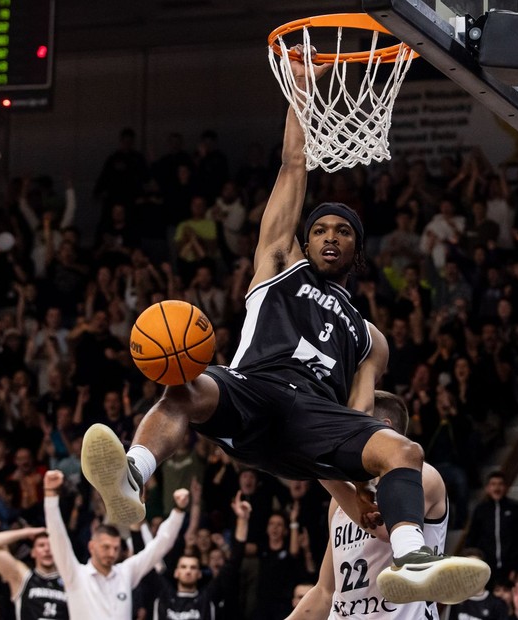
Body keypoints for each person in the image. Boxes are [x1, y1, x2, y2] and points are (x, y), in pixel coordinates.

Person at [79, 51, 488, 605]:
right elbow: (293, 164)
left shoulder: (371, 338)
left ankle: (414, 559)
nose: (328, 237)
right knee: (187, 386)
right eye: (319, 228)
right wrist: (300, 93)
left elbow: (357, 417)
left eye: (342, 231)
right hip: (256, 388)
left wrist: (348, 492)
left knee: (404, 451)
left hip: (313, 421)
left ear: (356, 251)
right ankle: (133, 474)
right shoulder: (279, 264)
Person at [288, 391, 451, 618]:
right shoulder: (340, 499)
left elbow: (384, 530)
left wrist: (320, 469)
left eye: (352, 429)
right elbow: (325, 592)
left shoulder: (423, 476)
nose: (344, 438)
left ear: (385, 429)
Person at [42, 470, 187, 618]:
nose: (112, 553)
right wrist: (50, 496)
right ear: (91, 546)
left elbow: (159, 547)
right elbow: (57, 538)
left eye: (116, 548)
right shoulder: (76, 575)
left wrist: (178, 511)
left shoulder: (125, 572)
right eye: (106, 547)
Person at [146, 490, 250, 620]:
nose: (188, 571)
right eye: (184, 567)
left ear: (199, 574)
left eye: (193, 567)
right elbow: (145, 558)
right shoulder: (163, 594)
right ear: (176, 572)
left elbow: (234, 561)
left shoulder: (208, 597)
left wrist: (242, 519)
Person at [0, 526, 68, 620]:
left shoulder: (69, 582)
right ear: (33, 552)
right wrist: (27, 532)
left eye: (51, 546)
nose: (47, 549)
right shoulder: (23, 577)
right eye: (41, 545)